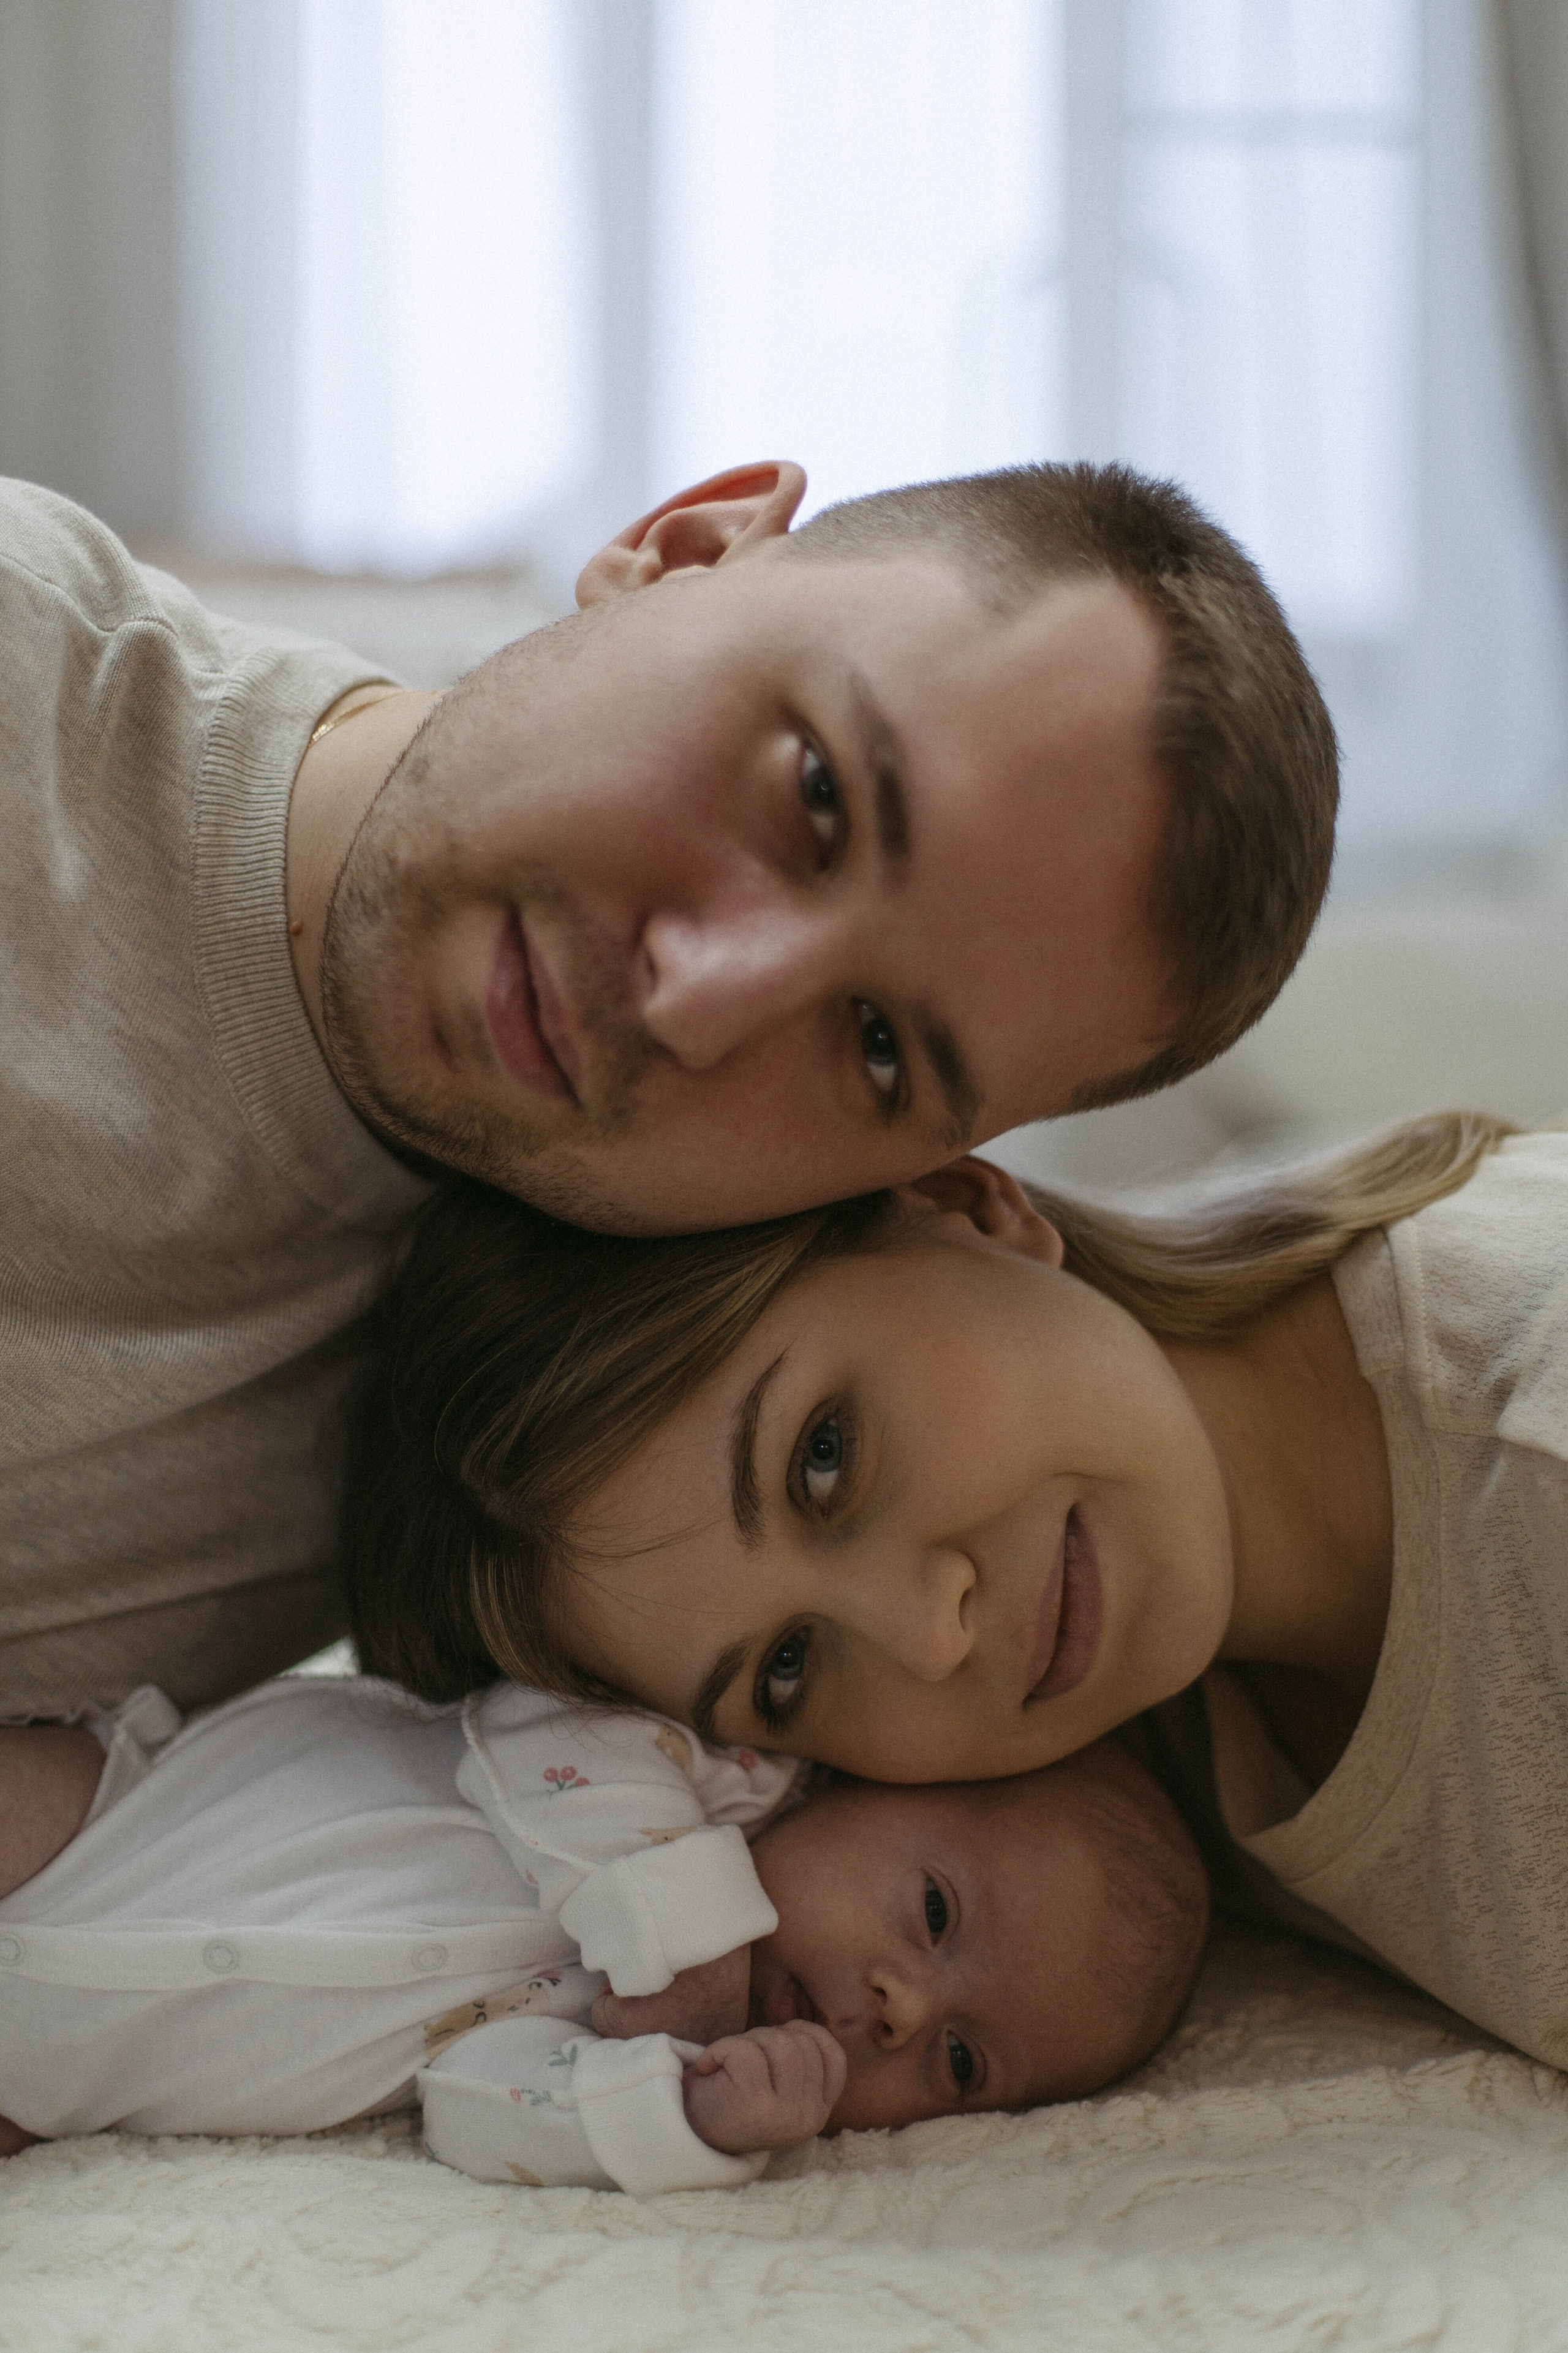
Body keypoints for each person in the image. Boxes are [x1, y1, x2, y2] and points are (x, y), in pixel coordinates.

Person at [0, 453, 1338, 1719]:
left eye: (874, 1047)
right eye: (812, 792)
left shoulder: (563, 1466)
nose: (695, 997)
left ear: (917, 1181)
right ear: (682, 545)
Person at [341, 1108, 1568, 2079]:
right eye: (786, 1669)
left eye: (824, 1456)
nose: (931, 1635)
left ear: (961, 1203)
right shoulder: (1106, 1798)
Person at [0, 1677, 1207, 2188]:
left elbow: (478, 2106)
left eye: (957, 2061)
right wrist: (684, 1948)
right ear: (870, 1782)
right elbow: (523, 1723)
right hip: (117, 1820)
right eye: (934, 1913)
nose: (900, 2006)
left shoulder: (649, 2060)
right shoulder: (701, 1764)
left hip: (63, 2070)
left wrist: (677, 2113)